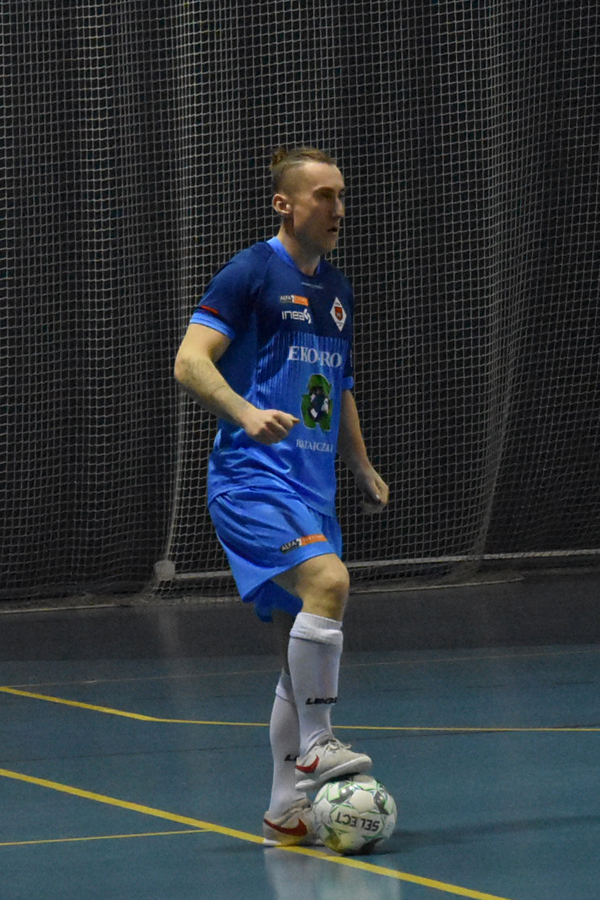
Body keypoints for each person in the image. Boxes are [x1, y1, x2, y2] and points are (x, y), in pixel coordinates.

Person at [173, 146, 390, 847]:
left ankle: (284, 810)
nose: (338, 208)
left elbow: (340, 386)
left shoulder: (337, 291)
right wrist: (242, 411)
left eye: (341, 194)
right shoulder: (250, 272)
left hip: (312, 489)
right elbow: (189, 359)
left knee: (293, 658)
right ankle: (319, 744)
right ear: (286, 205)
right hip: (251, 480)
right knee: (330, 582)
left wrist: (359, 463)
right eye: (323, 195)